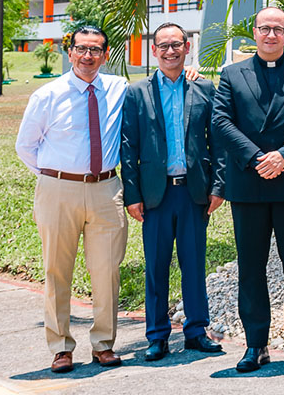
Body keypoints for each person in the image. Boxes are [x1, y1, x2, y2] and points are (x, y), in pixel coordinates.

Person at [212, 7, 284, 372]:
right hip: (249, 185)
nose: (271, 35)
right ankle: (255, 344)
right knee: (251, 268)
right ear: (255, 33)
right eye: (265, 28)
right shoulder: (232, 74)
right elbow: (221, 120)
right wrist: (258, 157)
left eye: (278, 29)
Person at [16, 26, 129, 374]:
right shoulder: (47, 95)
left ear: (106, 55)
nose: (88, 56)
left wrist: (189, 71)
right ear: (70, 52)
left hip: (107, 190)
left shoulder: (118, 88)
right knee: (56, 270)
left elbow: (156, 90)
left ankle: (103, 344)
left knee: (107, 271)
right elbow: (25, 146)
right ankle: (61, 347)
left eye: (95, 50)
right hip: (57, 190)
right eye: (81, 49)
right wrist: (55, 177)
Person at [120, 23, 224, 361]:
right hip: (155, 195)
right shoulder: (138, 93)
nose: (170, 51)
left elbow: (218, 143)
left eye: (176, 44)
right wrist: (132, 194)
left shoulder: (204, 88)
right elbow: (128, 146)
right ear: (154, 51)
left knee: (194, 265)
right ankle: (157, 336)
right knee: (156, 268)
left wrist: (218, 187)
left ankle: (196, 331)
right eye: (163, 45)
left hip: (193, 193)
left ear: (187, 47)